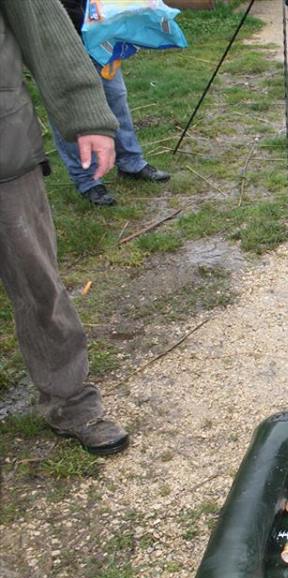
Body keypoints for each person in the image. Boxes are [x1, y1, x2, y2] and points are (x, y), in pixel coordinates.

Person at [0, 0, 129, 455]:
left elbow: (47, 30)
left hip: (4, 151)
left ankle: (70, 402)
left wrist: (86, 115)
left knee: (37, 283)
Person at [49, 0, 170, 207]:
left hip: (99, 32)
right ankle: (87, 180)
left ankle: (131, 163)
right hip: (57, 39)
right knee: (68, 109)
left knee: (116, 96)